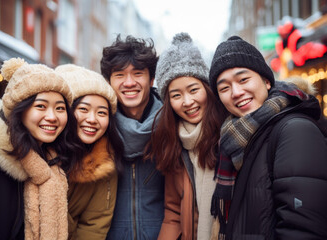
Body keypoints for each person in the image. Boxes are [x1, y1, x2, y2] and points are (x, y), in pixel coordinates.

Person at [209, 36, 327, 240]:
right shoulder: (238, 137)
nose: (236, 92)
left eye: (243, 79)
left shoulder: (295, 130)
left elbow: (302, 230)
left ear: (265, 80)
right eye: (224, 88)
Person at [0, 58, 82, 240]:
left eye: (60, 108)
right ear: (19, 110)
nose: (52, 116)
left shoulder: (55, 163)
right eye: (41, 106)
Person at [145, 32, 224, 240]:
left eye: (193, 89)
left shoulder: (230, 133)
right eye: (176, 95)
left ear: (207, 88)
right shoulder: (173, 143)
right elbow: (173, 212)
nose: (187, 101)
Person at [100, 34, 164, 240]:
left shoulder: (172, 125)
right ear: (109, 81)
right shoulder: (97, 129)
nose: (129, 82)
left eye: (137, 73)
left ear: (151, 79)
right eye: (119, 75)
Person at [55, 64, 123, 239]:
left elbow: (94, 227)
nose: (92, 119)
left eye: (102, 113)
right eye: (83, 109)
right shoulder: (37, 150)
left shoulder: (103, 165)